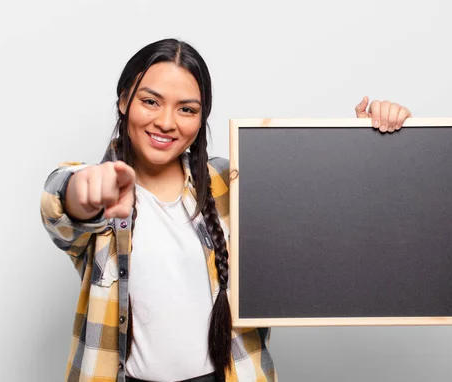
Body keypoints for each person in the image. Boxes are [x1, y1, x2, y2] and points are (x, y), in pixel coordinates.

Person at [40, 38, 412, 382]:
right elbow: (61, 201)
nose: (167, 122)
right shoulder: (103, 187)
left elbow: (324, 219)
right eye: (150, 101)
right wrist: (82, 192)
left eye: (186, 109)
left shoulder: (230, 181)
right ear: (124, 101)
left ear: (201, 119)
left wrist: (369, 142)